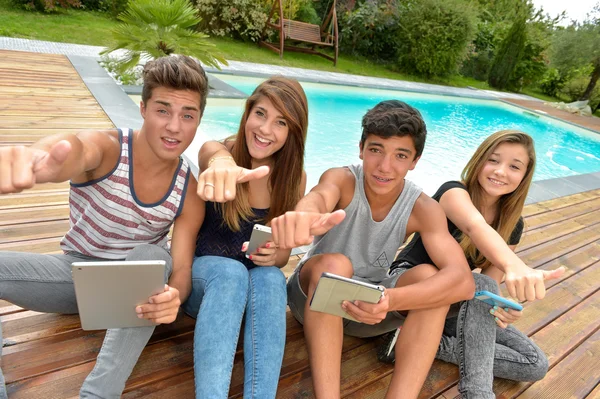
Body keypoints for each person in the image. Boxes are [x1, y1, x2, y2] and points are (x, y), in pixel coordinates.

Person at [0, 55, 207, 398]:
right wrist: (36, 157)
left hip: (136, 295)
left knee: (152, 255)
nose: (174, 126)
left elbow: (182, 269)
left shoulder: (190, 190)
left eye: (188, 115)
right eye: (163, 110)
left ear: (198, 120)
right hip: (76, 275)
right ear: (142, 108)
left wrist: (175, 296)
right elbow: (74, 150)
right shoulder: (110, 149)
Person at [270, 100, 476, 398]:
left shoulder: (423, 207)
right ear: (361, 148)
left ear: (414, 161)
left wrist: (389, 299)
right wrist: (305, 215)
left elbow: (463, 282)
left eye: (400, 155)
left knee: (430, 278)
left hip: (370, 308)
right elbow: (319, 197)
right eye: (376, 150)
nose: (384, 166)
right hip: (313, 301)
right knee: (336, 267)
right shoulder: (342, 179)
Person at [387, 130, 565, 398]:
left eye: (514, 166)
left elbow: (488, 289)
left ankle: (418, 343)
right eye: (493, 160)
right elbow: (475, 225)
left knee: (534, 364)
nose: (501, 172)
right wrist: (515, 265)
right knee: (476, 282)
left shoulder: (512, 223)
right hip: (412, 284)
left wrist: (501, 309)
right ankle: (477, 393)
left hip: (454, 302)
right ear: (479, 160)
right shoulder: (453, 192)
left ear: (524, 176)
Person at [182, 76, 309, 398]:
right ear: (248, 113)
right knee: (230, 271)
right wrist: (223, 163)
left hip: (250, 296)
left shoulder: (294, 178)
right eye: (261, 114)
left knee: (270, 277)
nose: (266, 129)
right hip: (205, 288)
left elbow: (283, 255)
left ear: (292, 132)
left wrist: (274, 255)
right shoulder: (221, 154)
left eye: (281, 122)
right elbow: (210, 153)